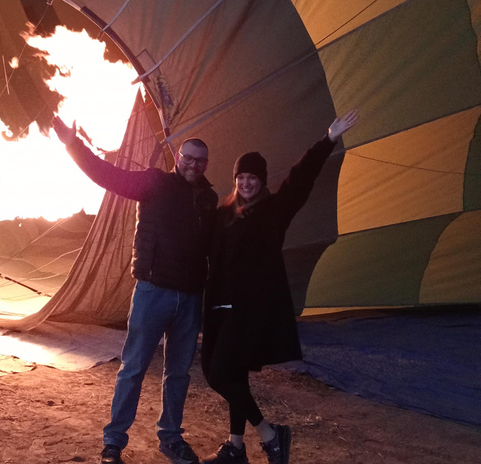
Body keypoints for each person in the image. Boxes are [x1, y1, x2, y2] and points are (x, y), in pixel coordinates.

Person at [51, 115, 218, 464]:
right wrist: (72, 144)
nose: (193, 164)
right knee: (134, 368)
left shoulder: (209, 198)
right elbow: (107, 175)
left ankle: (171, 438)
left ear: (206, 164)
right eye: (187, 157)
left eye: (199, 160)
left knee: (179, 373)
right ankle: (113, 443)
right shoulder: (154, 183)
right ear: (178, 158)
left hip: (189, 297)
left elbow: (214, 246)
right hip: (153, 291)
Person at [200, 110, 360, 464]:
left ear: (262, 180)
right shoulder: (222, 213)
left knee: (217, 374)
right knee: (231, 373)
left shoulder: (274, 211)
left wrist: (328, 139)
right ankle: (235, 447)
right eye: (241, 176)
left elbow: (300, 180)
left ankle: (271, 434)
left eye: (253, 177)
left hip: (248, 311)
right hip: (217, 308)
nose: (246, 182)